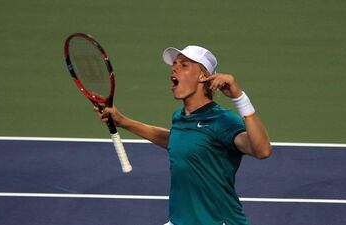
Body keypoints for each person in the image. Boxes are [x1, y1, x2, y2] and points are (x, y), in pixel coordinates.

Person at [95, 45, 272, 225]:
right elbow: (176, 140)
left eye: (184, 65)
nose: (174, 67)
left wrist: (239, 97)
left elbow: (262, 150)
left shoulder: (223, 121)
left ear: (203, 76)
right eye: (174, 64)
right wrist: (123, 121)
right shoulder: (180, 117)